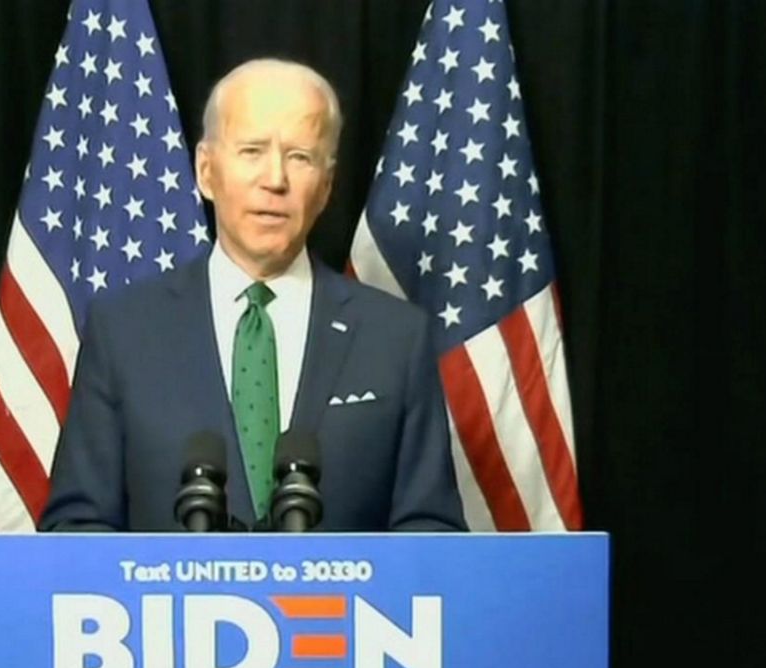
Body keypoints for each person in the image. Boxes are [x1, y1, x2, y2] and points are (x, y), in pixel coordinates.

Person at [40, 58, 465, 531]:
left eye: (300, 157)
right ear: (206, 171)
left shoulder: (396, 338)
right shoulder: (123, 332)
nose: (275, 180)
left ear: (325, 188)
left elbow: (432, 534)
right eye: (252, 151)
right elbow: (77, 528)